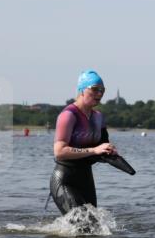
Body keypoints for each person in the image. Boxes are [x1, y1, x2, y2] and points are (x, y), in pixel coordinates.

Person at [49, 70, 118, 214]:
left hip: (86, 179)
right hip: (64, 180)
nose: (99, 93)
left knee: (94, 228)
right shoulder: (68, 115)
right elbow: (59, 152)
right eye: (94, 89)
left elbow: (102, 147)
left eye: (102, 90)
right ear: (81, 90)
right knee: (82, 225)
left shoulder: (99, 117)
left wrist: (109, 152)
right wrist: (94, 150)